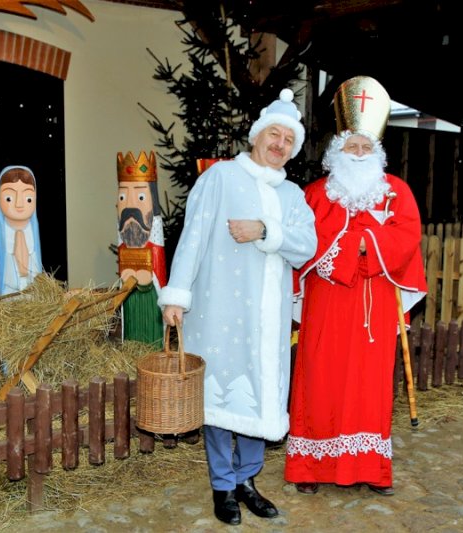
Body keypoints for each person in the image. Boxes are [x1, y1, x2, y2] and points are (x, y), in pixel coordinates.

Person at [159, 88, 317, 525]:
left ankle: (247, 480)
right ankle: (223, 486)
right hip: (219, 310)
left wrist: (265, 230)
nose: (280, 144)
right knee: (220, 394)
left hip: (267, 318)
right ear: (257, 135)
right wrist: (177, 295)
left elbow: (307, 246)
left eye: (289, 139)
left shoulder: (292, 196)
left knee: (259, 395)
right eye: (274, 134)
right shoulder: (221, 178)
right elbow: (192, 237)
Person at [284, 76, 427, 496]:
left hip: (374, 307)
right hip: (326, 304)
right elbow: (304, 243)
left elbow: (407, 238)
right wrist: (356, 247)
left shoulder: (396, 193)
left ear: (377, 151)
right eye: (352, 146)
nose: (360, 154)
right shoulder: (314, 195)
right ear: (337, 151)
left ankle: (369, 468)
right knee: (319, 380)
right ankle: (310, 468)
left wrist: (366, 243)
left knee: (370, 386)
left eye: (367, 147)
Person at [116, 150, 167, 347]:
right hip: (130, 304)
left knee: (152, 340)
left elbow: (159, 276)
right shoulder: (123, 244)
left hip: (151, 310)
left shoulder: (155, 245)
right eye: (122, 197)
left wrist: (148, 280)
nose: (130, 206)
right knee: (130, 333)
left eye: (140, 196)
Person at [0, 165, 42, 296]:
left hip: (32, 290)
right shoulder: (3, 234)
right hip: (10, 290)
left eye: (28, 199)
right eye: (9, 198)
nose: (19, 204)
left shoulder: (33, 232)